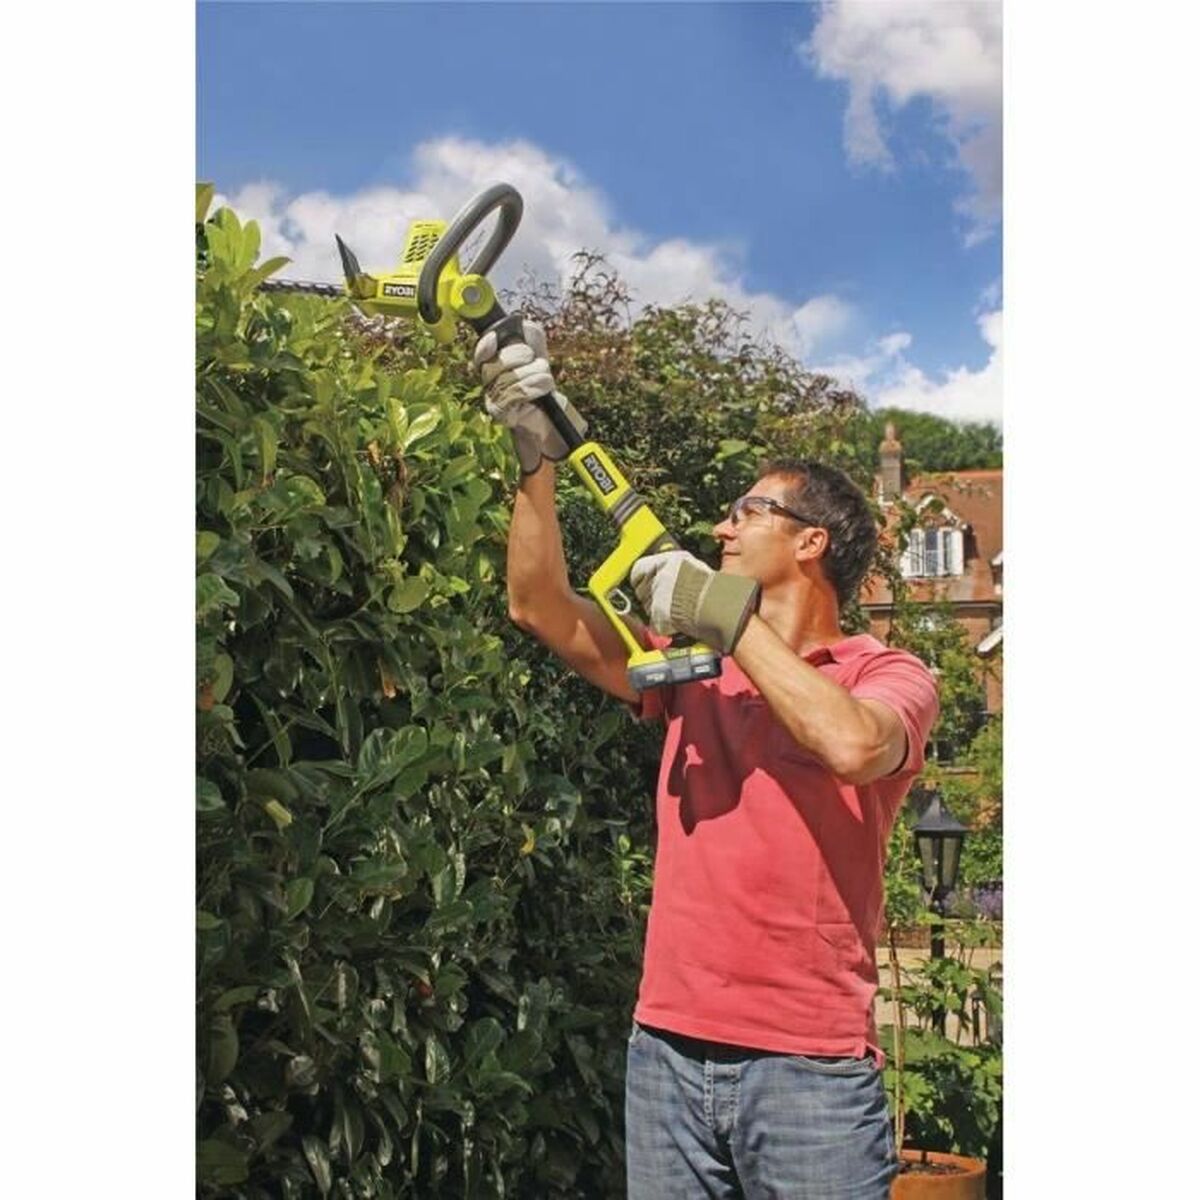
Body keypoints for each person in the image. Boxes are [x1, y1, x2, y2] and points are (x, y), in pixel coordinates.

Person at [473, 320, 940, 1199]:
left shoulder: (886, 674)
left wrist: (726, 620)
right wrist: (534, 460)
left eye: (748, 511)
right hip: (666, 1051)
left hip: (808, 1071)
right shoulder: (692, 665)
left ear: (811, 541)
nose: (723, 526)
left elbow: (852, 744)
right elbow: (540, 606)